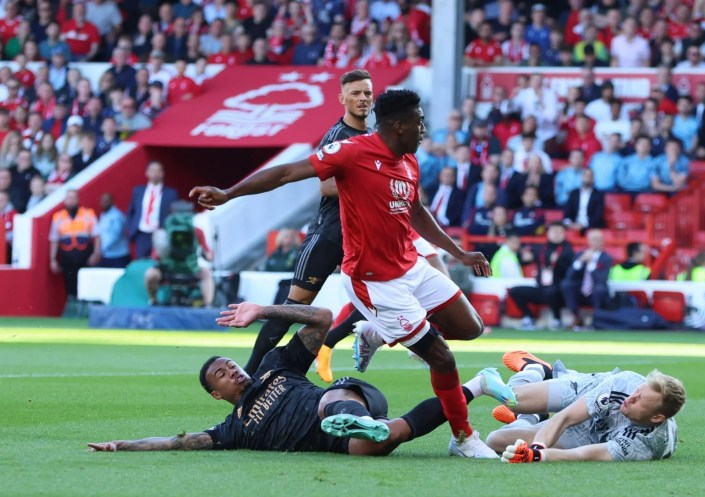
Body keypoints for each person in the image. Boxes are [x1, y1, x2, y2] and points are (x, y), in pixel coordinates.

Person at [191, 89, 498, 457]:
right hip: (374, 281)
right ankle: (464, 438)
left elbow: (416, 211)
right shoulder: (353, 152)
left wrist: (458, 253)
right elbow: (288, 171)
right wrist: (228, 193)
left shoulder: (409, 160)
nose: (423, 128)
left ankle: (377, 332)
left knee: (471, 328)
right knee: (442, 357)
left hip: (409, 265)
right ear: (398, 126)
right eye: (418, 121)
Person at [88, 302, 516, 458]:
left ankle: (353, 418)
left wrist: (264, 310)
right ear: (217, 394)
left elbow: (323, 319)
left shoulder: (276, 365)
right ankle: (479, 384)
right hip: (333, 441)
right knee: (380, 442)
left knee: (331, 404)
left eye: (230, 364)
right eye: (222, 374)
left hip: (346, 396)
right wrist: (122, 444)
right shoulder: (234, 429)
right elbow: (180, 442)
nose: (233, 370)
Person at [202, 70, 375, 382]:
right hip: (330, 233)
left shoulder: (370, 137)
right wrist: (374, 183)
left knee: (380, 297)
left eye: (366, 93)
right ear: (342, 99)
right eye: (356, 93)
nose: (362, 98)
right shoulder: (338, 137)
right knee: (295, 305)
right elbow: (326, 187)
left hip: (360, 235)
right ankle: (252, 374)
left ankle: (328, 345)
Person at [486, 351, 685, 462]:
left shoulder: (643, 445)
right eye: (638, 391)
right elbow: (566, 418)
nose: (631, 398)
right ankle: (537, 369)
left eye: (640, 400)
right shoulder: (624, 383)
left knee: (495, 440)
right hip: (590, 391)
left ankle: (532, 418)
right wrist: (538, 446)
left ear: (657, 418)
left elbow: (581, 455)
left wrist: (536, 455)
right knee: (514, 399)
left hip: (593, 435)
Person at [507, 222, 574, 331]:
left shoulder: (567, 248)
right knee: (515, 291)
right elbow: (524, 260)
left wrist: (558, 261)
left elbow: (567, 264)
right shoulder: (542, 248)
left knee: (552, 291)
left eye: (559, 231)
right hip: (542, 288)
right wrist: (523, 256)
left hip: (560, 291)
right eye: (554, 231)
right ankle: (529, 318)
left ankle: (557, 319)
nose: (556, 234)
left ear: (564, 233)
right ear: (548, 233)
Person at [49, 189, 100, 299]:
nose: (71, 201)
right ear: (65, 200)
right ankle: (72, 309)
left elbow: (97, 236)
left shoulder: (88, 213)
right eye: (69, 198)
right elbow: (54, 239)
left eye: (73, 198)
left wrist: (96, 254)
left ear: (78, 199)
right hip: (67, 257)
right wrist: (52, 259)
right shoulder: (58, 216)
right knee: (69, 286)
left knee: (86, 285)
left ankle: (83, 310)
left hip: (85, 257)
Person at [560, 228, 613, 329]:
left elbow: (602, 279)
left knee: (600, 289)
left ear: (603, 242)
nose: (596, 242)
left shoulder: (606, 258)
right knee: (566, 284)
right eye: (593, 239)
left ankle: (596, 319)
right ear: (588, 241)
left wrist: (592, 265)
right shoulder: (580, 255)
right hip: (581, 290)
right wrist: (579, 262)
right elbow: (569, 276)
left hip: (596, 291)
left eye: (598, 240)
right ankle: (576, 318)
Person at [126, 161, 177, 259]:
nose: (155, 173)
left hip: (160, 233)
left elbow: (173, 215)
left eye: (158, 171)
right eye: (152, 170)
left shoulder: (170, 193)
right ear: (147, 173)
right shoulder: (138, 191)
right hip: (142, 234)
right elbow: (130, 211)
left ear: (162, 173)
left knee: (161, 262)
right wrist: (131, 227)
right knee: (141, 263)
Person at [562, 168, 604, 232]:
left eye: (590, 176)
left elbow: (598, 216)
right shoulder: (573, 193)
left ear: (593, 179)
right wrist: (570, 224)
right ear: (581, 177)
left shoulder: (598, 195)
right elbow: (567, 212)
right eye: (586, 175)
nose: (587, 178)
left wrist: (583, 225)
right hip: (572, 226)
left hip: (590, 227)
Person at [97, 192, 129, 268]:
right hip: (107, 255)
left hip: (119, 256)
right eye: (102, 201)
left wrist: (99, 251)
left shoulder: (116, 216)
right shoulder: (103, 214)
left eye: (106, 201)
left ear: (112, 201)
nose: (104, 203)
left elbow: (114, 236)